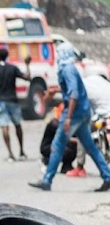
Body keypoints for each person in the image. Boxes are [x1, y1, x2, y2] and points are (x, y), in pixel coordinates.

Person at [29, 44, 110, 192]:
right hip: (83, 112)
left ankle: (47, 180)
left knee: (57, 145)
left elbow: (73, 94)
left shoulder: (67, 69)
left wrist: (68, 118)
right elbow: (72, 89)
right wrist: (55, 90)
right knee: (90, 147)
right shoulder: (70, 69)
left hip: (74, 113)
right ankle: (107, 176)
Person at [66, 75, 110, 178]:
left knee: (83, 132)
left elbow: (84, 111)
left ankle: (80, 167)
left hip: (104, 115)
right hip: (104, 113)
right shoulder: (97, 80)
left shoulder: (80, 89)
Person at [41, 105, 77, 174]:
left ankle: (66, 165)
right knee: (71, 147)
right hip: (48, 148)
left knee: (73, 146)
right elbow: (65, 137)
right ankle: (47, 161)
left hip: (59, 145)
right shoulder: (54, 123)